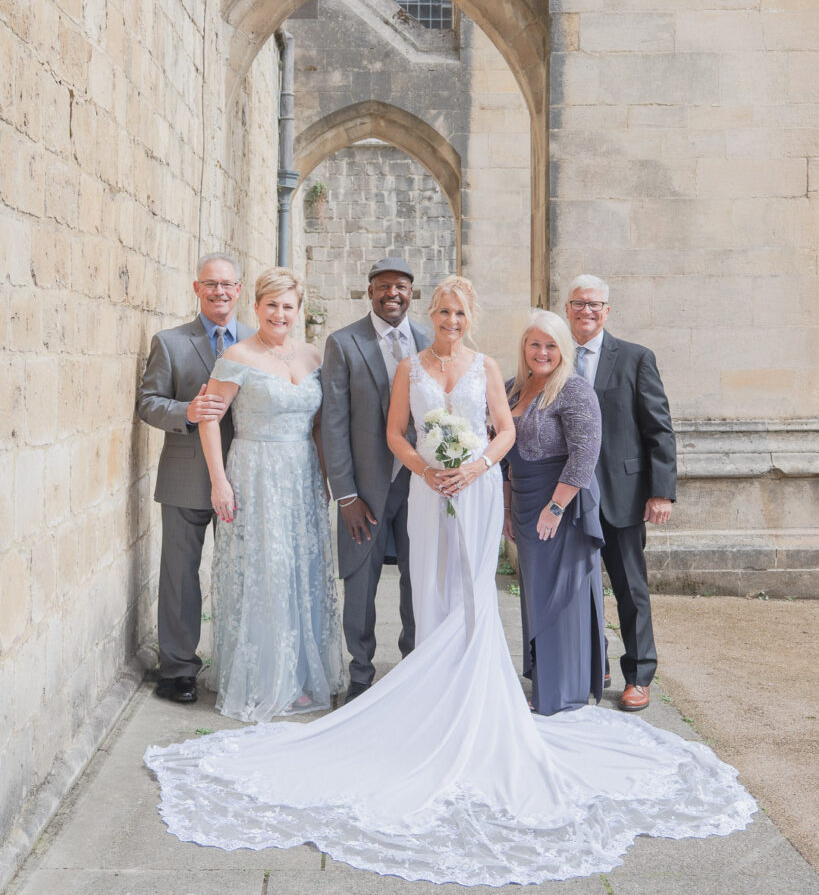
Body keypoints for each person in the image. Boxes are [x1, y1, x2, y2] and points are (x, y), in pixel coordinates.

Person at [146, 275, 754, 887]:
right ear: (429, 314)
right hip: (428, 492)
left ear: (470, 316)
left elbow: (504, 429)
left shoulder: (490, 366)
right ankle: (429, 698)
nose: (451, 320)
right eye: (442, 311)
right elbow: (393, 434)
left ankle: (474, 691)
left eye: (459, 312)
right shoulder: (409, 367)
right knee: (429, 588)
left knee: (472, 592)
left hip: (479, 491)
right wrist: (428, 468)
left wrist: (476, 466)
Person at [198, 267, 344, 721]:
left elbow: (319, 425)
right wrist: (219, 481)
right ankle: (264, 677)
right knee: (266, 569)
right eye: (271, 305)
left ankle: (300, 676)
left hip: (301, 475)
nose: (279, 314)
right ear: (256, 307)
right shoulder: (238, 355)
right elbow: (208, 417)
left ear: (298, 311)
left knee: (302, 567)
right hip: (256, 473)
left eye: (288, 306)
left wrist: (323, 477)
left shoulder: (313, 356)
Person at [137, 253, 254, 704]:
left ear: (239, 290)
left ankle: (240, 662)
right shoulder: (169, 342)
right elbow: (148, 402)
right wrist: (184, 412)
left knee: (243, 573)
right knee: (180, 575)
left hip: (245, 475)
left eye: (227, 284)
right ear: (196, 288)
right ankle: (179, 669)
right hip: (186, 475)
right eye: (211, 284)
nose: (219, 292)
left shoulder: (257, 339)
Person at [565, 273, 677, 712]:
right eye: (579, 304)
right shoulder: (553, 356)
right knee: (576, 586)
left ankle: (638, 674)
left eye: (595, 304)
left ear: (606, 311)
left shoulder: (634, 358)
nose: (587, 311)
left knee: (630, 588)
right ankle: (595, 665)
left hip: (623, 494)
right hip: (568, 496)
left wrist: (661, 492)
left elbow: (659, 428)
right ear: (568, 309)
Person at [320, 257, 429, 703]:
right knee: (360, 583)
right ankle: (360, 674)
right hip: (365, 487)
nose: (392, 294)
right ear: (369, 292)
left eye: (401, 287)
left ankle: (413, 668)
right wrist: (346, 496)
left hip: (419, 485)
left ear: (411, 292)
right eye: (383, 286)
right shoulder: (344, 343)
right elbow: (333, 424)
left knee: (416, 579)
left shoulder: (428, 340)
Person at [502, 309, 605, 715]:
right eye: (534, 344)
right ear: (524, 347)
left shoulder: (575, 391)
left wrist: (556, 507)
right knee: (536, 595)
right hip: (525, 504)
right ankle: (544, 683)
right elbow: (508, 460)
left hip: (561, 506)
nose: (542, 352)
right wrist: (509, 508)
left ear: (563, 349)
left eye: (551, 345)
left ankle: (562, 693)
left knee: (562, 597)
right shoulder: (511, 389)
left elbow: (584, 456)